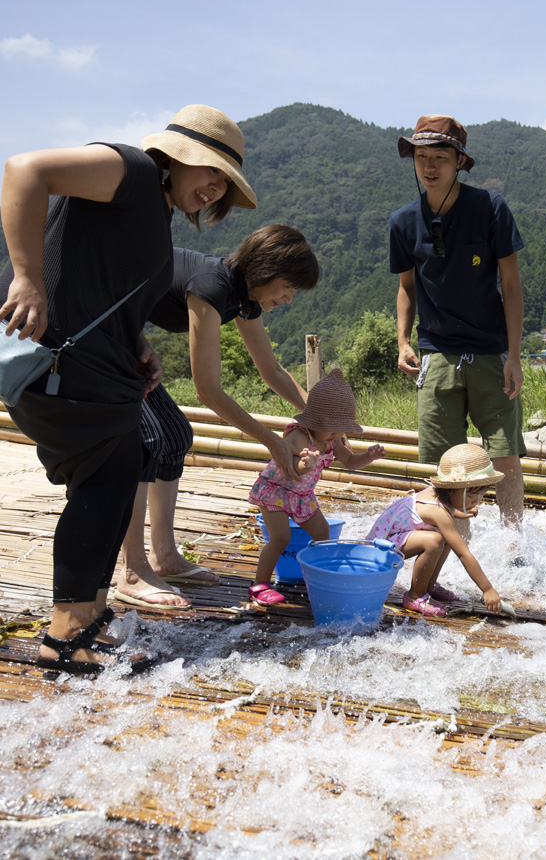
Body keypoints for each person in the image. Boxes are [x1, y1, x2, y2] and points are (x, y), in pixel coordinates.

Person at [0, 104, 255, 675]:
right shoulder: (133, 169)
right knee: (102, 482)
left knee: (121, 473)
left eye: (223, 184)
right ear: (177, 155)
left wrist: (136, 340)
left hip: (96, 362)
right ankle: (65, 634)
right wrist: (26, 276)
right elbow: (23, 170)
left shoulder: (151, 209)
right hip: (57, 357)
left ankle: (86, 618)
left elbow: (100, 281)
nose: (213, 188)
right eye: (209, 171)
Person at [114, 225, 320, 609]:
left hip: (128, 334)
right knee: (147, 441)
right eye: (289, 287)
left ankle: (165, 556)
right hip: (100, 326)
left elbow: (271, 371)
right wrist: (273, 442)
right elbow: (207, 390)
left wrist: (318, 416)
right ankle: (132, 569)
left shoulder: (243, 296)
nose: (290, 298)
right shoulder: (212, 286)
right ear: (265, 271)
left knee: (175, 435)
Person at [388, 115, 526, 526]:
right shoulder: (403, 222)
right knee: (444, 465)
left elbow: (512, 286)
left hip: (489, 351)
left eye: (440, 158)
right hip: (437, 353)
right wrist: (403, 341)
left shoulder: (489, 208)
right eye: (421, 157)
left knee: (505, 455)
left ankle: (515, 547)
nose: (429, 167)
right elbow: (407, 287)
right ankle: (452, 546)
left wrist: (514, 356)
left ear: (459, 162)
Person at [247, 370, 385, 606]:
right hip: (277, 490)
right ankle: (259, 585)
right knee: (281, 537)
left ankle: (319, 576)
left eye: (339, 429)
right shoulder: (299, 436)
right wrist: (305, 464)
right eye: (331, 428)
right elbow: (290, 468)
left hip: (302, 495)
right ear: (315, 421)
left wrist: (369, 457)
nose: (336, 433)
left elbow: (350, 462)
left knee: (323, 534)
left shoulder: (331, 439)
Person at [367, 443, 503, 617]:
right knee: (435, 540)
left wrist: (460, 512)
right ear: (453, 489)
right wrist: (487, 589)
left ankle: (428, 585)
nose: (476, 501)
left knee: (443, 536)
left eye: (480, 496)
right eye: (470, 496)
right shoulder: (438, 511)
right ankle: (415, 595)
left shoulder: (438, 495)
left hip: (392, 540)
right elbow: (463, 553)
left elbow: (440, 511)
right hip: (380, 550)